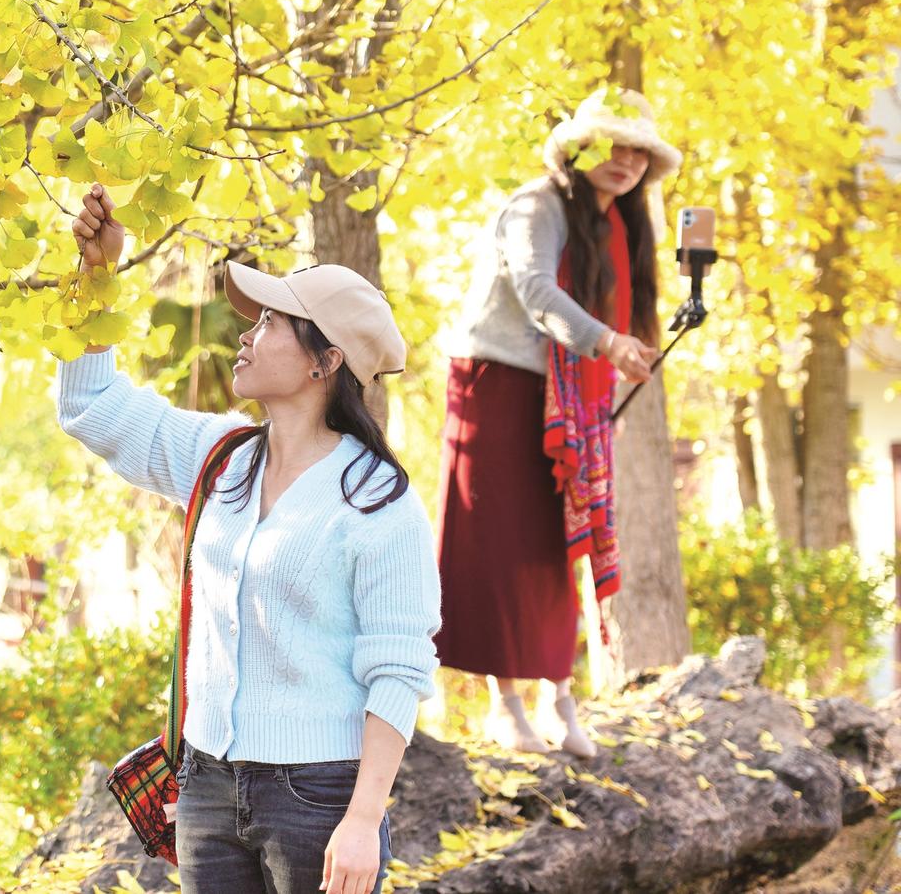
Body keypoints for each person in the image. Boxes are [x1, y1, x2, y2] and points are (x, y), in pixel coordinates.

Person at [58, 185, 441, 894]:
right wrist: (96, 276)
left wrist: (363, 819)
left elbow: (399, 667)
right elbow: (91, 406)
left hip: (321, 797)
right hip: (205, 785)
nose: (245, 334)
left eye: (270, 322)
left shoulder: (378, 500)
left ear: (325, 361)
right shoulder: (221, 458)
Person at [434, 87, 680, 758]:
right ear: (579, 148)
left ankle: (559, 695)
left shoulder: (616, 228)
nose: (625, 160)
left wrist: (602, 399)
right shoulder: (536, 205)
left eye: (639, 151)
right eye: (612, 144)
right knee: (504, 545)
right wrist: (607, 344)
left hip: (565, 398)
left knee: (557, 543)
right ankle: (504, 703)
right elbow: (536, 290)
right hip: (498, 383)